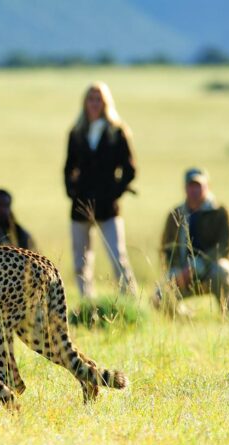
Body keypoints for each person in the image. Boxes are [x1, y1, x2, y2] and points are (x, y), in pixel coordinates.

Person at [64, 81, 138, 298]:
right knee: (80, 260)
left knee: (118, 257)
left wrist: (115, 191)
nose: (94, 103)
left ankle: (130, 302)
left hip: (108, 206)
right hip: (81, 204)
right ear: (85, 102)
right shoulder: (76, 132)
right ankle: (88, 304)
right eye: (91, 99)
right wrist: (72, 191)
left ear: (106, 103)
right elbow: (68, 167)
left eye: (99, 99)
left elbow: (130, 169)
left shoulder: (117, 132)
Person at [152, 168, 229, 317]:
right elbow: (166, 249)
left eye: (199, 185)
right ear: (185, 188)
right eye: (191, 186)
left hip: (211, 270)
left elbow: (226, 246)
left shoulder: (220, 212)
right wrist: (175, 272)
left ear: (208, 187)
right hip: (182, 275)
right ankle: (183, 319)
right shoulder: (175, 214)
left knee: (224, 271)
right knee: (158, 296)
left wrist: (198, 265)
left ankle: (228, 318)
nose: (195, 190)